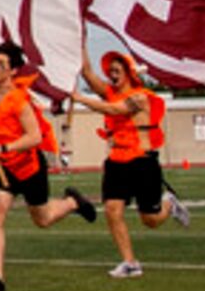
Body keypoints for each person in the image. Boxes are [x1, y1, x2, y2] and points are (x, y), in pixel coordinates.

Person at [0, 46, 96, 291]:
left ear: (12, 70)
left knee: (43, 219)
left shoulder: (20, 100)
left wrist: (5, 146)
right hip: (1, 167)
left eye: (0, 63)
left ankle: (72, 202)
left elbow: (35, 137)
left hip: (28, 165)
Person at [71, 50, 185, 278]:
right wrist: (81, 40)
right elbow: (87, 73)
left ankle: (169, 204)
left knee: (150, 220)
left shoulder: (140, 96)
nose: (112, 75)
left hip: (141, 161)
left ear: (129, 73)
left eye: (117, 71)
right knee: (113, 210)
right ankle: (130, 262)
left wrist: (80, 99)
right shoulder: (110, 92)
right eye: (110, 71)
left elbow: (115, 109)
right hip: (117, 160)